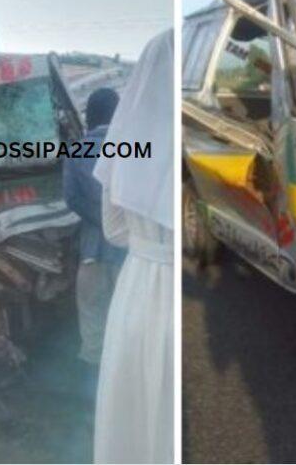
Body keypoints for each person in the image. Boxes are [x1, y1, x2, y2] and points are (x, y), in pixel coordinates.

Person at [92, 30, 174, 464]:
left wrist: (149, 245)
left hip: (140, 289)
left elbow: (113, 230)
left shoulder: (125, 143)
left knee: (135, 420)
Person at [63, 87, 126, 370]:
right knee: (126, 322)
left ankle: (93, 389)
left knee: (92, 320)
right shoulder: (134, 148)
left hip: (92, 253)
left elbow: (72, 198)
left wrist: (99, 220)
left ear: (90, 115)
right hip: (129, 255)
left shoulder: (76, 150)